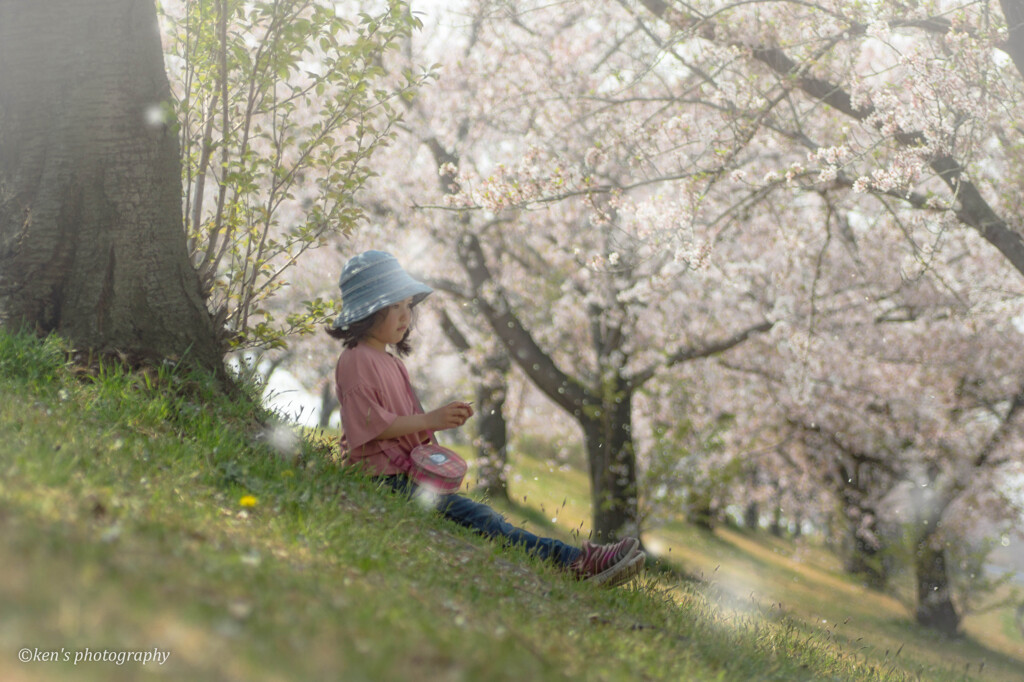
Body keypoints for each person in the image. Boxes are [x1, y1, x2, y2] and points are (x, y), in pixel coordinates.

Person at [326, 250, 645, 587]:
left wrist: (434, 434)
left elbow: (402, 424)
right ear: (369, 309)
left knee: (480, 514)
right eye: (395, 307)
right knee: (480, 517)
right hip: (384, 479)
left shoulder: (391, 362)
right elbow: (373, 427)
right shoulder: (357, 360)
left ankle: (577, 559)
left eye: (409, 306)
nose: (406, 316)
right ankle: (577, 562)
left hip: (403, 476)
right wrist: (432, 420)